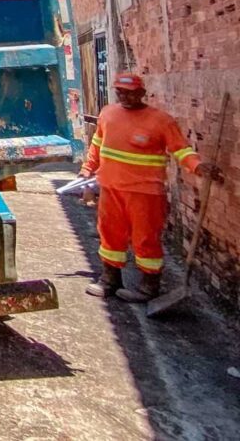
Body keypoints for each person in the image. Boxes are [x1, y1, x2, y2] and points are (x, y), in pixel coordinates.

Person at [81, 73, 220, 301]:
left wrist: (198, 166)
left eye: (131, 93)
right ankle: (110, 279)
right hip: (111, 189)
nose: (125, 97)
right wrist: (87, 169)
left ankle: (149, 287)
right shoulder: (108, 114)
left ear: (142, 94)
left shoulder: (161, 121)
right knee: (110, 235)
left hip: (145, 192)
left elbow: (181, 150)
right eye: (121, 92)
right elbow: (97, 144)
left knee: (145, 238)